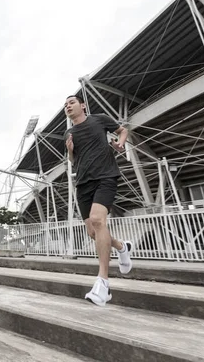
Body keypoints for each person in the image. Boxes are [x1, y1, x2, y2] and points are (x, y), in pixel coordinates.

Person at [63, 94, 133, 306]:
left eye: (71, 102)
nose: (68, 106)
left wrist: (120, 144)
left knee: (98, 220)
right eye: (65, 105)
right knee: (93, 232)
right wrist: (70, 152)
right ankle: (122, 247)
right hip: (83, 183)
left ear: (83, 106)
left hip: (105, 176)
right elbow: (72, 161)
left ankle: (103, 283)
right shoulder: (68, 132)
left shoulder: (99, 119)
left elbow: (122, 130)